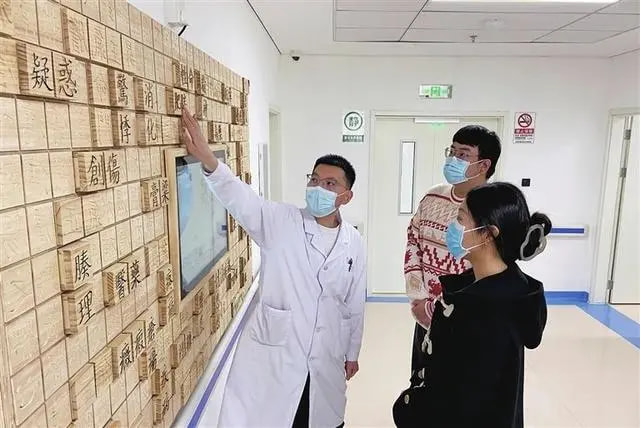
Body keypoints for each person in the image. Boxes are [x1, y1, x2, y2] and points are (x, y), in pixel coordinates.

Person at [181, 108, 366, 428]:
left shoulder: (354, 242)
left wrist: (352, 352)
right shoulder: (280, 221)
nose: (318, 187)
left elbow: (354, 304)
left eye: (330, 183)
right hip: (277, 356)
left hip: (327, 355)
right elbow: (241, 199)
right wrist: (209, 161)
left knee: (322, 416)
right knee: (278, 416)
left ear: (346, 196)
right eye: (314, 179)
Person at [393, 182, 550, 428]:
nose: (452, 227)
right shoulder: (509, 292)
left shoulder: (480, 310)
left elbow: (457, 399)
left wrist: (408, 407)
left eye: (460, 219)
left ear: (488, 233)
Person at [404, 125, 501, 374]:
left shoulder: (494, 211)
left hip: (466, 321)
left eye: (463, 154)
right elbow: (413, 242)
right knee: (421, 382)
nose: (453, 159)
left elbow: (490, 271)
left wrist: (441, 309)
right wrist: (419, 299)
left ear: (483, 165)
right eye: (452, 151)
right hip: (424, 315)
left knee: (457, 385)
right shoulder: (432, 198)